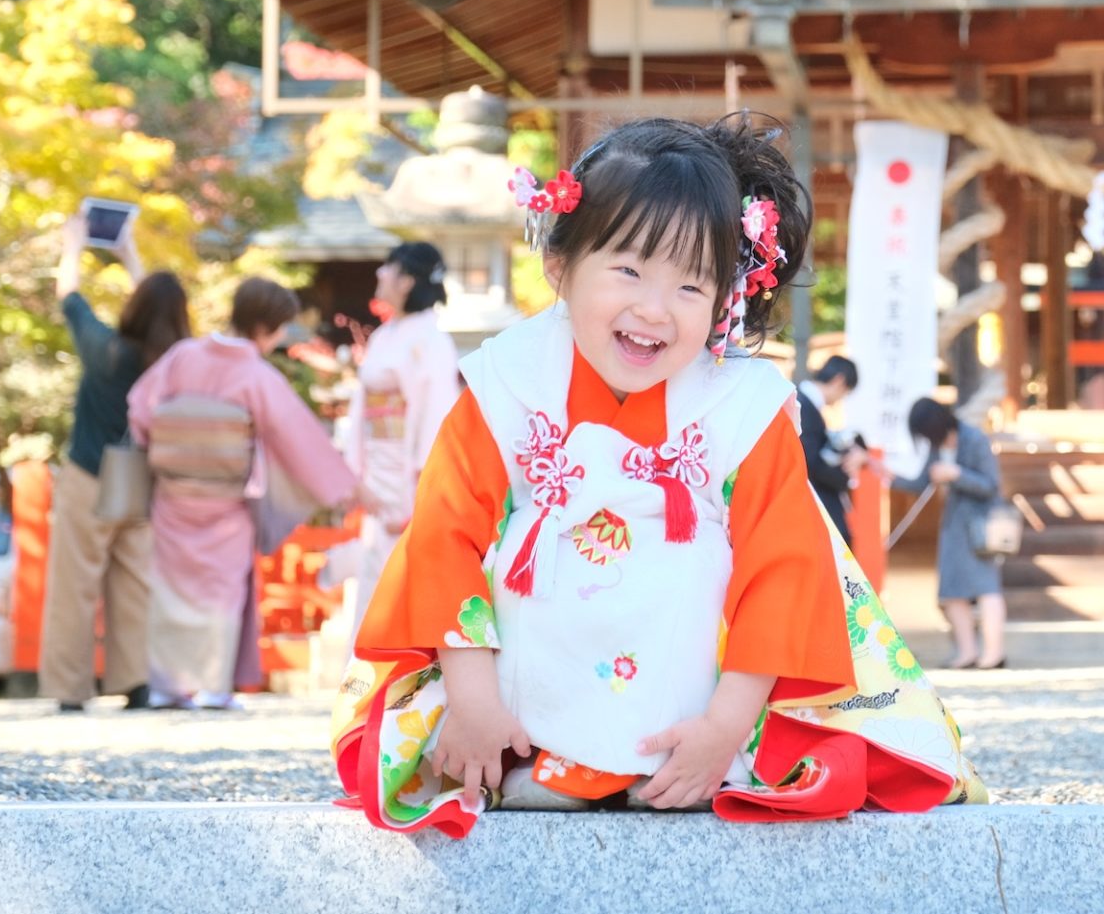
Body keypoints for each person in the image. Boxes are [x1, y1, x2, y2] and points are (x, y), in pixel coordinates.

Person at [331, 115, 984, 836]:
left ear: (724, 297)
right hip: (521, 668)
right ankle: (543, 751)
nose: (654, 309)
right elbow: (444, 538)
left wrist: (725, 728)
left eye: (690, 285)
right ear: (560, 263)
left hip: (697, 691)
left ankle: (682, 761)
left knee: (685, 564)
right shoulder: (508, 382)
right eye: (629, 269)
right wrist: (473, 699)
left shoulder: (744, 404)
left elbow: (784, 570)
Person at [127, 277, 357, 709]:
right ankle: (214, 686)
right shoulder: (255, 374)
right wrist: (342, 486)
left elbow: (140, 408)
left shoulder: (182, 356)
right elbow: (299, 438)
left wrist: (171, 442)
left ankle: (166, 685)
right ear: (269, 327)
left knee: (170, 588)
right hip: (225, 501)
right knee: (221, 590)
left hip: (173, 494)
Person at [40, 216, 191, 713]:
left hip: (89, 474)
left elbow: (69, 296)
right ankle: (136, 680)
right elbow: (157, 310)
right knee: (136, 584)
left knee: (74, 584)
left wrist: (74, 245)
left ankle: (69, 688)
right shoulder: (177, 362)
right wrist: (129, 255)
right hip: (144, 483)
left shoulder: (106, 351)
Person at [340, 242, 462, 642]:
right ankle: (363, 689)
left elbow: (435, 417)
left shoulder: (431, 340)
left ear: (408, 280)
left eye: (387, 268)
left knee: (403, 579)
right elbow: (361, 410)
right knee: (372, 582)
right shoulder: (387, 336)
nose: (379, 274)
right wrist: (353, 474)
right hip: (377, 472)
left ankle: (396, 691)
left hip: (409, 479)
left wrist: (422, 490)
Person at [892, 398, 1008, 671]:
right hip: (953, 530)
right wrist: (886, 475)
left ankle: (994, 654)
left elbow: (991, 486)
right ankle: (967, 652)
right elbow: (922, 482)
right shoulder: (937, 447)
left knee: (987, 589)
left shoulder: (975, 439)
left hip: (981, 528)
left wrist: (956, 474)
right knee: (951, 592)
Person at [794, 355, 866, 548]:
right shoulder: (803, 406)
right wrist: (843, 477)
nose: (841, 399)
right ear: (839, 381)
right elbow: (810, 463)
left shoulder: (804, 403)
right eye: (846, 392)